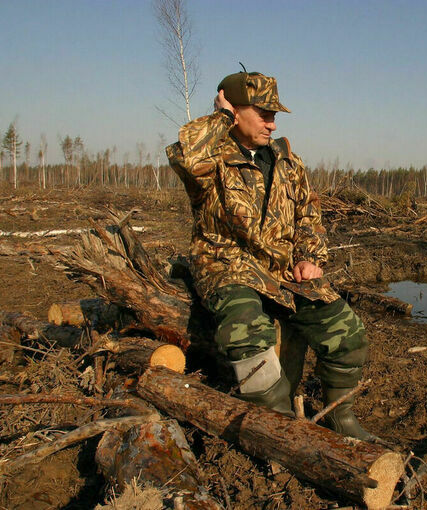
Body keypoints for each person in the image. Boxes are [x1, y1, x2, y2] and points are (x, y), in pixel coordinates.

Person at [166, 70, 375, 441]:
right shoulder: (212, 159)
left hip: (281, 272)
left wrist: (310, 257)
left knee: (348, 332)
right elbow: (185, 157)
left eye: (274, 115)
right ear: (235, 110)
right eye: (263, 113)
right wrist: (221, 116)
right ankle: (278, 428)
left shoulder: (287, 162)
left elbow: (309, 217)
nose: (272, 123)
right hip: (227, 266)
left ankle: (340, 419)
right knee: (248, 333)